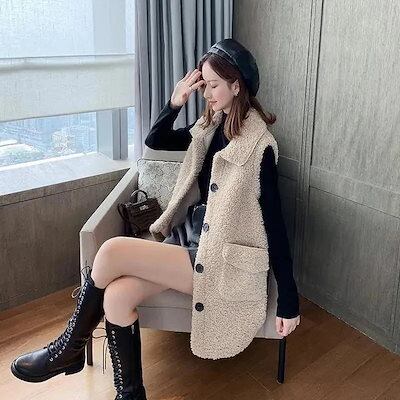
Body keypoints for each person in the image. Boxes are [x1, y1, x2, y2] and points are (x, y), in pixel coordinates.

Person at [10, 38, 300, 399]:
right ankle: (130, 395)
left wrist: (289, 300)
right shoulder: (210, 128)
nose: (206, 94)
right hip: (190, 240)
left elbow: (275, 226)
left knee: (111, 251)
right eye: (204, 85)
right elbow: (156, 139)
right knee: (117, 297)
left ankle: (67, 349)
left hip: (219, 263)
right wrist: (175, 101)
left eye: (213, 85)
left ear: (236, 85)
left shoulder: (259, 147)